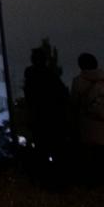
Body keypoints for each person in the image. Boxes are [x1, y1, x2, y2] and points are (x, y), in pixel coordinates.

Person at [69, 52, 104, 188]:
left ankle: (98, 186)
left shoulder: (78, 82)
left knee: (95, 159)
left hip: (89, 127)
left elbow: (74, 104)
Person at [22, 44, 69, 186]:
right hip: (52, 117)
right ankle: (58, 178)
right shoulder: (51, 75)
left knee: (42, 148)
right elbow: (63, 95)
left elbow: (29, 95)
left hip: (39, 117)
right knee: (55, 148)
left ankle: (44, 178)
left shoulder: (31, 75)